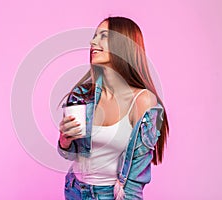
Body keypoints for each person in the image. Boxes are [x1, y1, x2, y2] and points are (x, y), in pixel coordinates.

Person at [57, 16, 169, 200]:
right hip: (74, 189)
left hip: (108, 195)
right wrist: (64, 140)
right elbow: (69, 154)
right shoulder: (82, 94)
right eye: (95, 36)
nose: (92, 42)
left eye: (103, 36)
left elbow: (136, 179)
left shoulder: (142, 101)